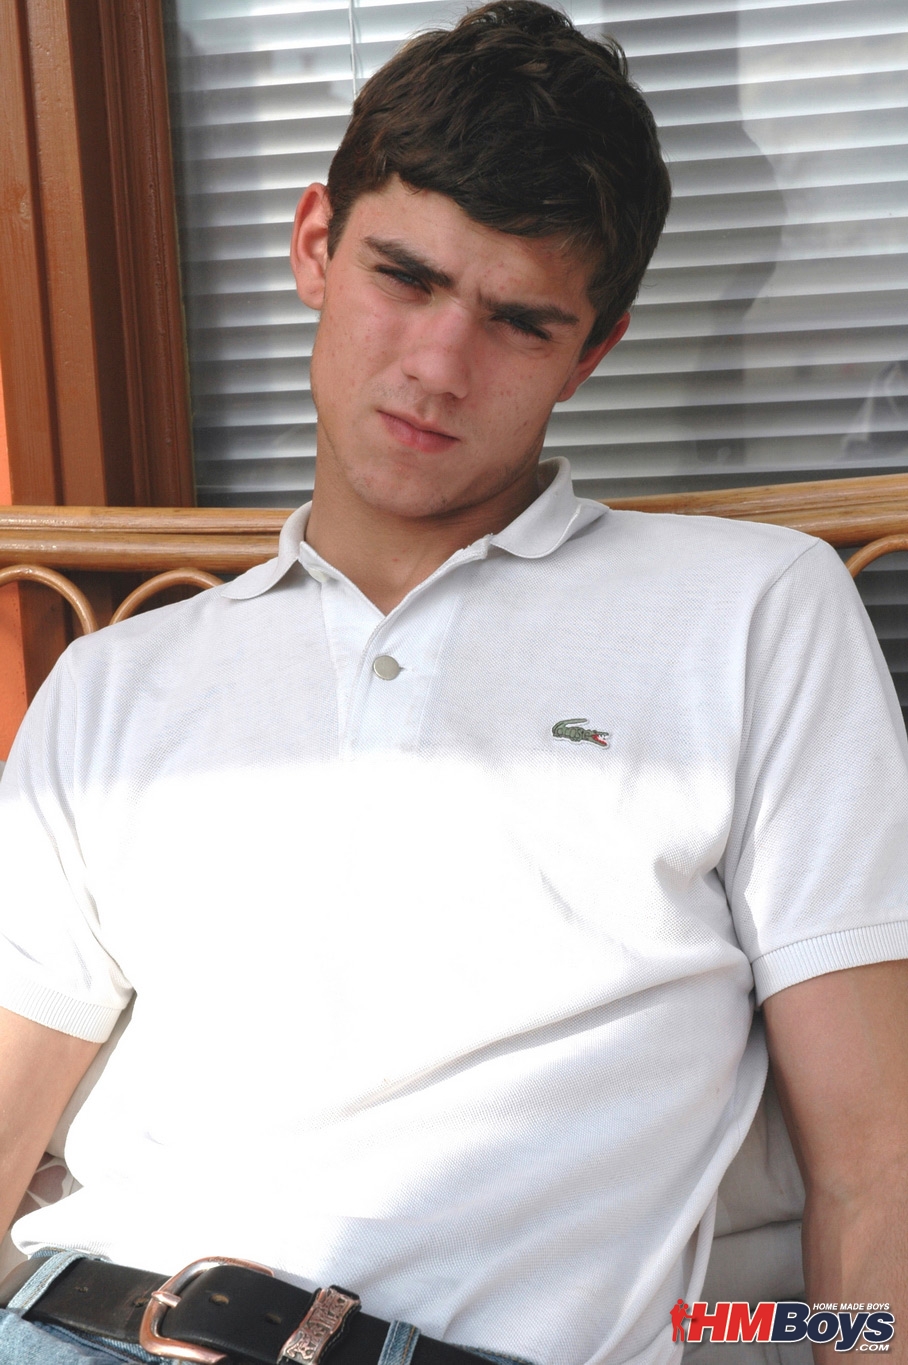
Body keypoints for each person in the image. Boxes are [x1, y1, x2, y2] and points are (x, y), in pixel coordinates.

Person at [1, 3, 907, 1363]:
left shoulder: (755, 612)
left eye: (518, 321)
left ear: (592, 352)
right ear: (316, 244)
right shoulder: (116, 682)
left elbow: (876, 1164)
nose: (437, 366)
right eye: (404, 277)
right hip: (75, 1321)